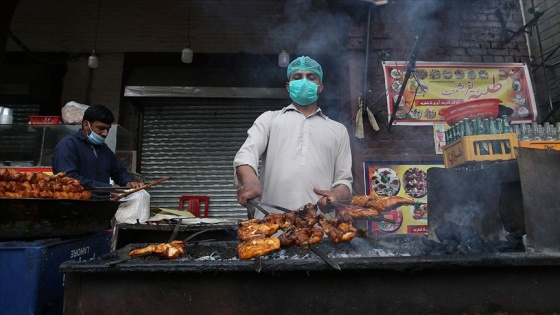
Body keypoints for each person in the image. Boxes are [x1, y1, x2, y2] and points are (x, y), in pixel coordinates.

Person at [234, 56, 353, 213]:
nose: (304, 81)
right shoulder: (269, 119)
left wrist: (336, 195)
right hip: (271, 228)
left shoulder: (338, 130)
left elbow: (344, 180)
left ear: (320, 87)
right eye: (297, 77)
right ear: (289, 87)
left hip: (320, 230)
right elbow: (245, 156)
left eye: (311, 77)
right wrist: (250, 181)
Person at [52, 104, 143, 188]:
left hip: (101, 203)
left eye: (108, 129)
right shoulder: (68, 146)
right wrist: (106, 188)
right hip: (75, 204)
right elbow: (68, 179)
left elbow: (118, 170)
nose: (105, 133)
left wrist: (128, 182)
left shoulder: (103, 149)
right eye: (101, 128)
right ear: (86, 125)